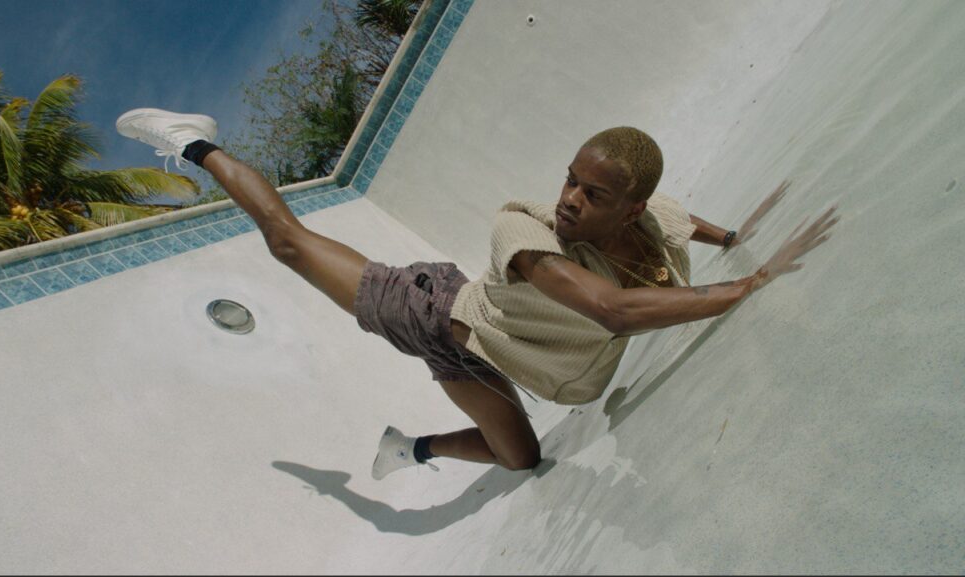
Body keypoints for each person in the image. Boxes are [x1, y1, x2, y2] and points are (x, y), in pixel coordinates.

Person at [116, 108, 837, 480]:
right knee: (289, 244)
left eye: (594, 193)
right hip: (436, 314)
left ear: (633, 205)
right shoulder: (522, 229)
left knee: (523, 462)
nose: (572, 201)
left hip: (495, 352)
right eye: (570, 181)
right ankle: (193, 144)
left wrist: (736, 233)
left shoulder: (654, 220)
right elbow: (609, 309)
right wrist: (744, 285)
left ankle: (410, 447)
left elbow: (686, 220)